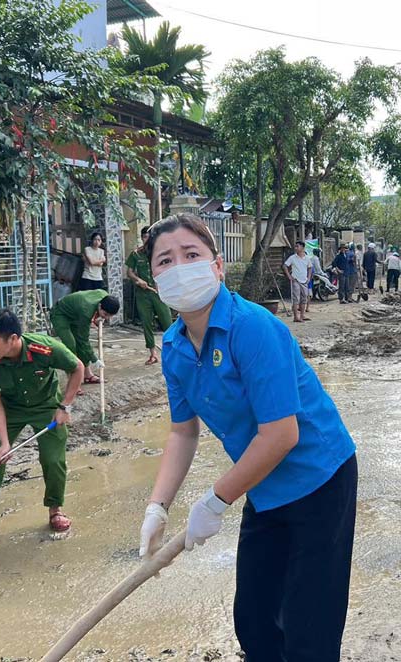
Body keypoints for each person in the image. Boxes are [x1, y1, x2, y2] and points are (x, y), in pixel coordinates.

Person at [137, 213, 358, 660]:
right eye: (165, 260)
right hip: (263, 485)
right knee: (255, 621)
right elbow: (183, 432)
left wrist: (215, 501)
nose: (179, 266)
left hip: (320, 479)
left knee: (308, 627)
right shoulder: (175, 348)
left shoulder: (252, 326)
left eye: (191, 254)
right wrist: (157, 506)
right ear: (154, 278)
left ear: (217, 266)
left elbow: (280, 435)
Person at [0, 309, 85, 544]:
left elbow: (77, 367)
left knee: (53, 460)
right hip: (10, 410)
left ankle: (55, 510)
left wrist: (65, 406)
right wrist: (4, 442)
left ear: (12, 339)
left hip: (46, 406)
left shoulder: (44, 348)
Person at [49, 289, 120, 384]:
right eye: (105, 314)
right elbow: (84, 340)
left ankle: (88, 375)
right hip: (60, 314)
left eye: (109, 316)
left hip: (75, 314)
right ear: (99, 306)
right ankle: (73, 381)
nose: (106, 318)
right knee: (71, 345)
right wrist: (94, 359)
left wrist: (98, 317)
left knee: (80, 345)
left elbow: (81, 341)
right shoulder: (86, 311)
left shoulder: (104, 296)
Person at [127, 226, 173, 365]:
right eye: (145, 237)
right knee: (146, 323)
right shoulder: (135, 254)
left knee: (167, 321)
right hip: (143, 293)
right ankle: (153, 354)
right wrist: (137, 280)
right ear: (142, 238)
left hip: (159, 292)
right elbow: (129, 272)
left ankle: (174, 351)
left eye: (150, 237)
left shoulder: (159, 253)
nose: (147, 240)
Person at [283, 240, 312, 323]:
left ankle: (302, 315)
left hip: (304, 281)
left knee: (304, 298)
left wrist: (309, 277)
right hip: (295, 280)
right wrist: (289, 276)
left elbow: (310, 268)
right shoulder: (292, 257)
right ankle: (296, 316)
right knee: (296, 299)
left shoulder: (307, 258)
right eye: (295, 246)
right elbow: (285, 266)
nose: (296, 248)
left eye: (297, 246)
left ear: (302, 247)